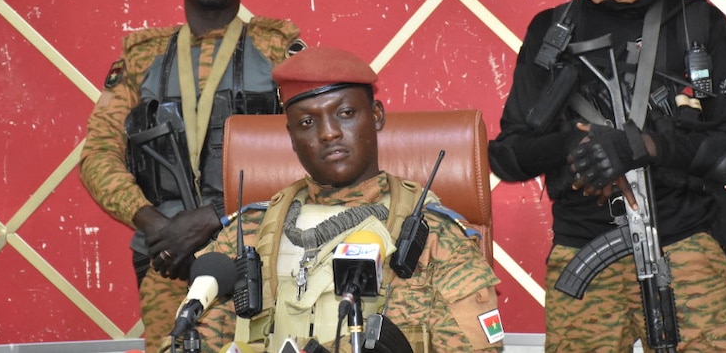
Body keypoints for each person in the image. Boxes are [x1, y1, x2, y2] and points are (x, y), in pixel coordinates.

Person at [488, 0, 726, 351]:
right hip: (584, 248)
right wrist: (572, 143)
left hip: (684, 244)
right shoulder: (552, 33)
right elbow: (508, 157)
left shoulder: (696, 23)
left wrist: (644, 146)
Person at [79, 0, 305, 352]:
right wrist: (157, 225)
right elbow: (98, 155)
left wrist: (214, 217)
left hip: (257, 248)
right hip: (165, 257)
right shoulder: (142, 61)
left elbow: (312, 149)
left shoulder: (279, 51)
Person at [184, 47, 503, 353]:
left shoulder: (433, 233)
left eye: (346, 113)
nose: (329, 133)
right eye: (307, 123)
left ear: (376, 116)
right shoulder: (251, 231)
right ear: (292, 138)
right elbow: (196, 334)